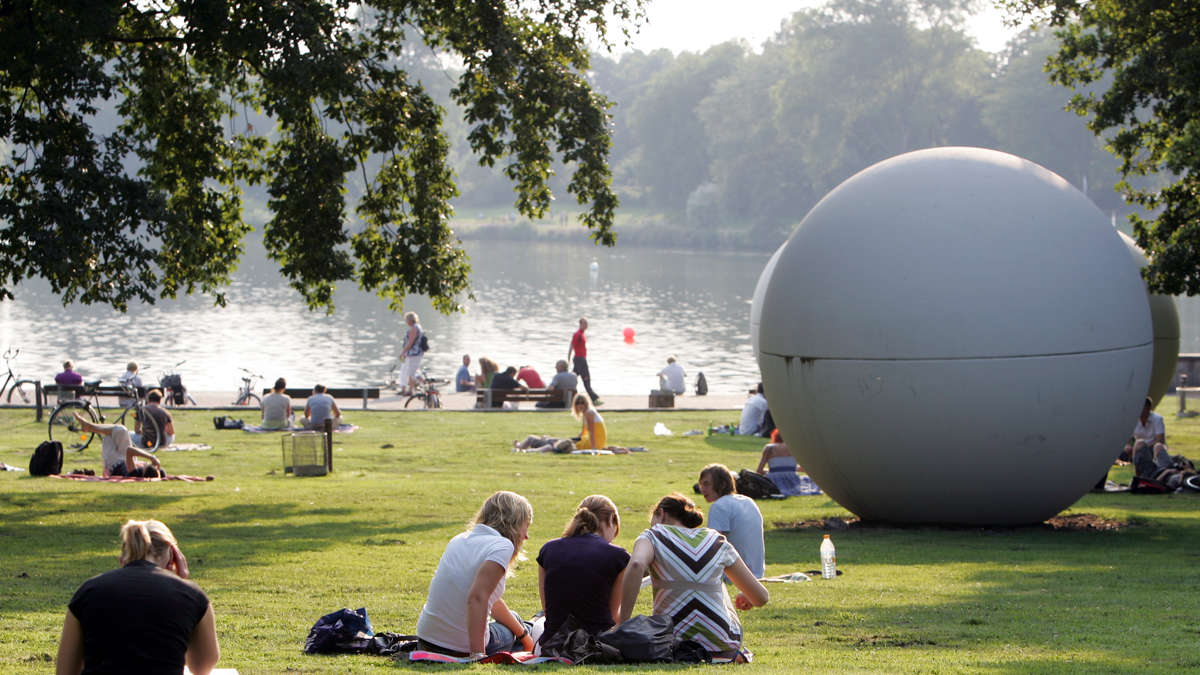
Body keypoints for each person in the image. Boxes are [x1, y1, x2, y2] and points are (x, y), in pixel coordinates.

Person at [57, 519, 220, 675]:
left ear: (123, 556)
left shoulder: (88, 591)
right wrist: (181, 585)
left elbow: (65, 671)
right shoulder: (192, 596)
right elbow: (201, 668)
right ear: (172, 555)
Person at [617, 493, 768, 660]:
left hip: (669, 642)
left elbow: (637, 564)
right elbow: (761, 598)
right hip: (722, 646)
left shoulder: (654, 535)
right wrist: (746, 595)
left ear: (661, 513)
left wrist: (623, 623)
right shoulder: (717, 540)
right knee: (717, 583)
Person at [416, 491, 536, 660]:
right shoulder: (502, 546)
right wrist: (478, 654)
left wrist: (523, 635)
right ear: (514, 524)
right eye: (526, 526)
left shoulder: (459, 539)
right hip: (458, 647)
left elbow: (489, 599)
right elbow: (477, 598)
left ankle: (525, 632)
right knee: (514, 625)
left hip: (426, 639)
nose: (526, 536)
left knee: (515, 621)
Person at [537, 495, 629, 644]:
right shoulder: (619, 557)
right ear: (612, 519)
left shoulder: (548, 550)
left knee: (538, 623)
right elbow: (611, 615)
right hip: (597, 644)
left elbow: (549, 610)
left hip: (554, 642)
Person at [698, 464, 765, 577]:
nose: (702, 489)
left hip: (735, 576)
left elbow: (713, 546)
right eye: (701, 484)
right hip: (757, 574)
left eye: (706, 484)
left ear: (723, 484)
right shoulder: (748, 501)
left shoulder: (719, 506)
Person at [72, 412, 164, 477]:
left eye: (147, 465)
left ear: (144, 471)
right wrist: (156, 466)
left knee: (109, 435)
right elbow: (160, 473)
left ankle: (90, 427)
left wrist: (151, 457)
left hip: (114, 463)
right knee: (121, 430)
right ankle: (90, 427)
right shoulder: (143, 471)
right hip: (125, 458)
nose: (147, 464)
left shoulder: (134, 473)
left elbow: (130, 451)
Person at [1127, 397, 1173, 478]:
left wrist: (1142, 446)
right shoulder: (1134, 419)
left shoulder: (1157, 419)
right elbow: (1128, 439)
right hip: (1138, 448)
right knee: (1132, 446)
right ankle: (1138, 474)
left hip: (1151, 447)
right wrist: (1129, 446)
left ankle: (1161, 471)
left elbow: (1160, 440)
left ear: (1148, 408)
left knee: (1156, 446)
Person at [755, 429, 807, 496]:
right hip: (792, 481)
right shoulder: (794, 447)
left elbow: (759, 470)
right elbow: (803, 469)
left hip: (774, 481)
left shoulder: (769, 448)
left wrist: (773, 471)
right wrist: (789, 469)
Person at [567, 317, 600, 404]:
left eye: (587, 323)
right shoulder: (577, 335)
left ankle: (592, 397)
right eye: (584, 323)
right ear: (580, 324)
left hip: (581, 359)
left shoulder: (582, 334)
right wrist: (569, 358)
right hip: (579, 359)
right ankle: (593, 398)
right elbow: (572, 345)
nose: (586, 325)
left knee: (580, 378)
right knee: (585, 378)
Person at [398, 311, 424, 396]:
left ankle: (411, 390)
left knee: (411, 372)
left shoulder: (414, 328)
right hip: (411, 354)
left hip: (413, 354)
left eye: (406, 320)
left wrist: (403, 352)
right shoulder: (417, 327)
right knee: (404, 370)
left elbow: (410, 343)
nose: (406, 322)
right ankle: (404, 388)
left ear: (410, 320)